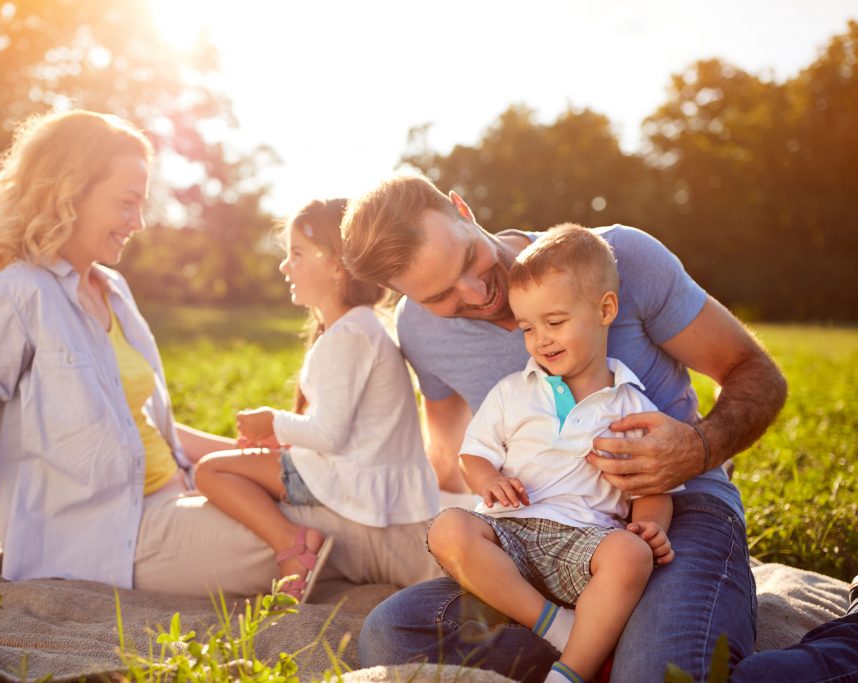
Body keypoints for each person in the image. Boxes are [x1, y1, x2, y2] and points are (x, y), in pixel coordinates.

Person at [0, 113, 439, 599]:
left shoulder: (113, 291)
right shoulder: (13, 299)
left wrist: (254, 451)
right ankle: (452, 559)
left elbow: (144, 430)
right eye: (127, 203)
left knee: (326, 503)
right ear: (68, 194)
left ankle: (466, 544)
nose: (140, 221)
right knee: (323, 528)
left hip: (172, 496)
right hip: (114, 536)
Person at [340, 174, 786, 681]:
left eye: (468, 261)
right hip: (534, 530)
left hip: (672, 513)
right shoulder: (420, 330)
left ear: (463, 209)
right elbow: (449, 453)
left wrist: (700, 446)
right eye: (440, 295)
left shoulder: (620, 259)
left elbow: (756, 372)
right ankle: (586, 648)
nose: (476, 293)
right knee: (391, 635)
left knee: (659, 675)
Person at [427, 225, 677, 683]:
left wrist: (652, 525)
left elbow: (654, 487)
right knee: (448, 527)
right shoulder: (511, 392)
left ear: (605, 310)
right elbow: (473, 456)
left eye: (555, 322)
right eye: (527, 328)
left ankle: (569, 673)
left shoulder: (632, 404)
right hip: (508, 535)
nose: (541, 339)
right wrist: (487, 482)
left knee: (632, 556)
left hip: (582, 544)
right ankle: (559, 627)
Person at [194, 198, 439, 602]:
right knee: (235, 466)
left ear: (336, 265)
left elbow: (329, 434)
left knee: (210, 473)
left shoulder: (346, 337)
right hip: (365, 475)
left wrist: (271, 422)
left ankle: (292, 543)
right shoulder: (364, 327)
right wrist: (287, 438)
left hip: (347, 480)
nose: (284, 266)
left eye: (297, 254)